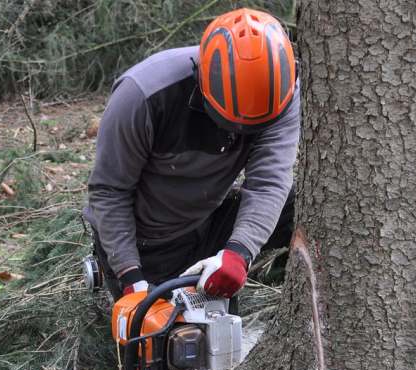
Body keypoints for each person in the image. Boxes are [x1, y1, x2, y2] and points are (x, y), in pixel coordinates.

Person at [84, 7, 299, 302]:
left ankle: (270, 278)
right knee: (170, 337)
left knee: (302, 204)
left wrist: (239, 252)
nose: (238, 134)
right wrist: (130, 275)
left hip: (210, 216)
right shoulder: (143, 95)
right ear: (203, 81)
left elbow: (269, 181)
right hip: (148, 240)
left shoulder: (282, 91)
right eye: (229, 123)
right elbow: (110, 190)